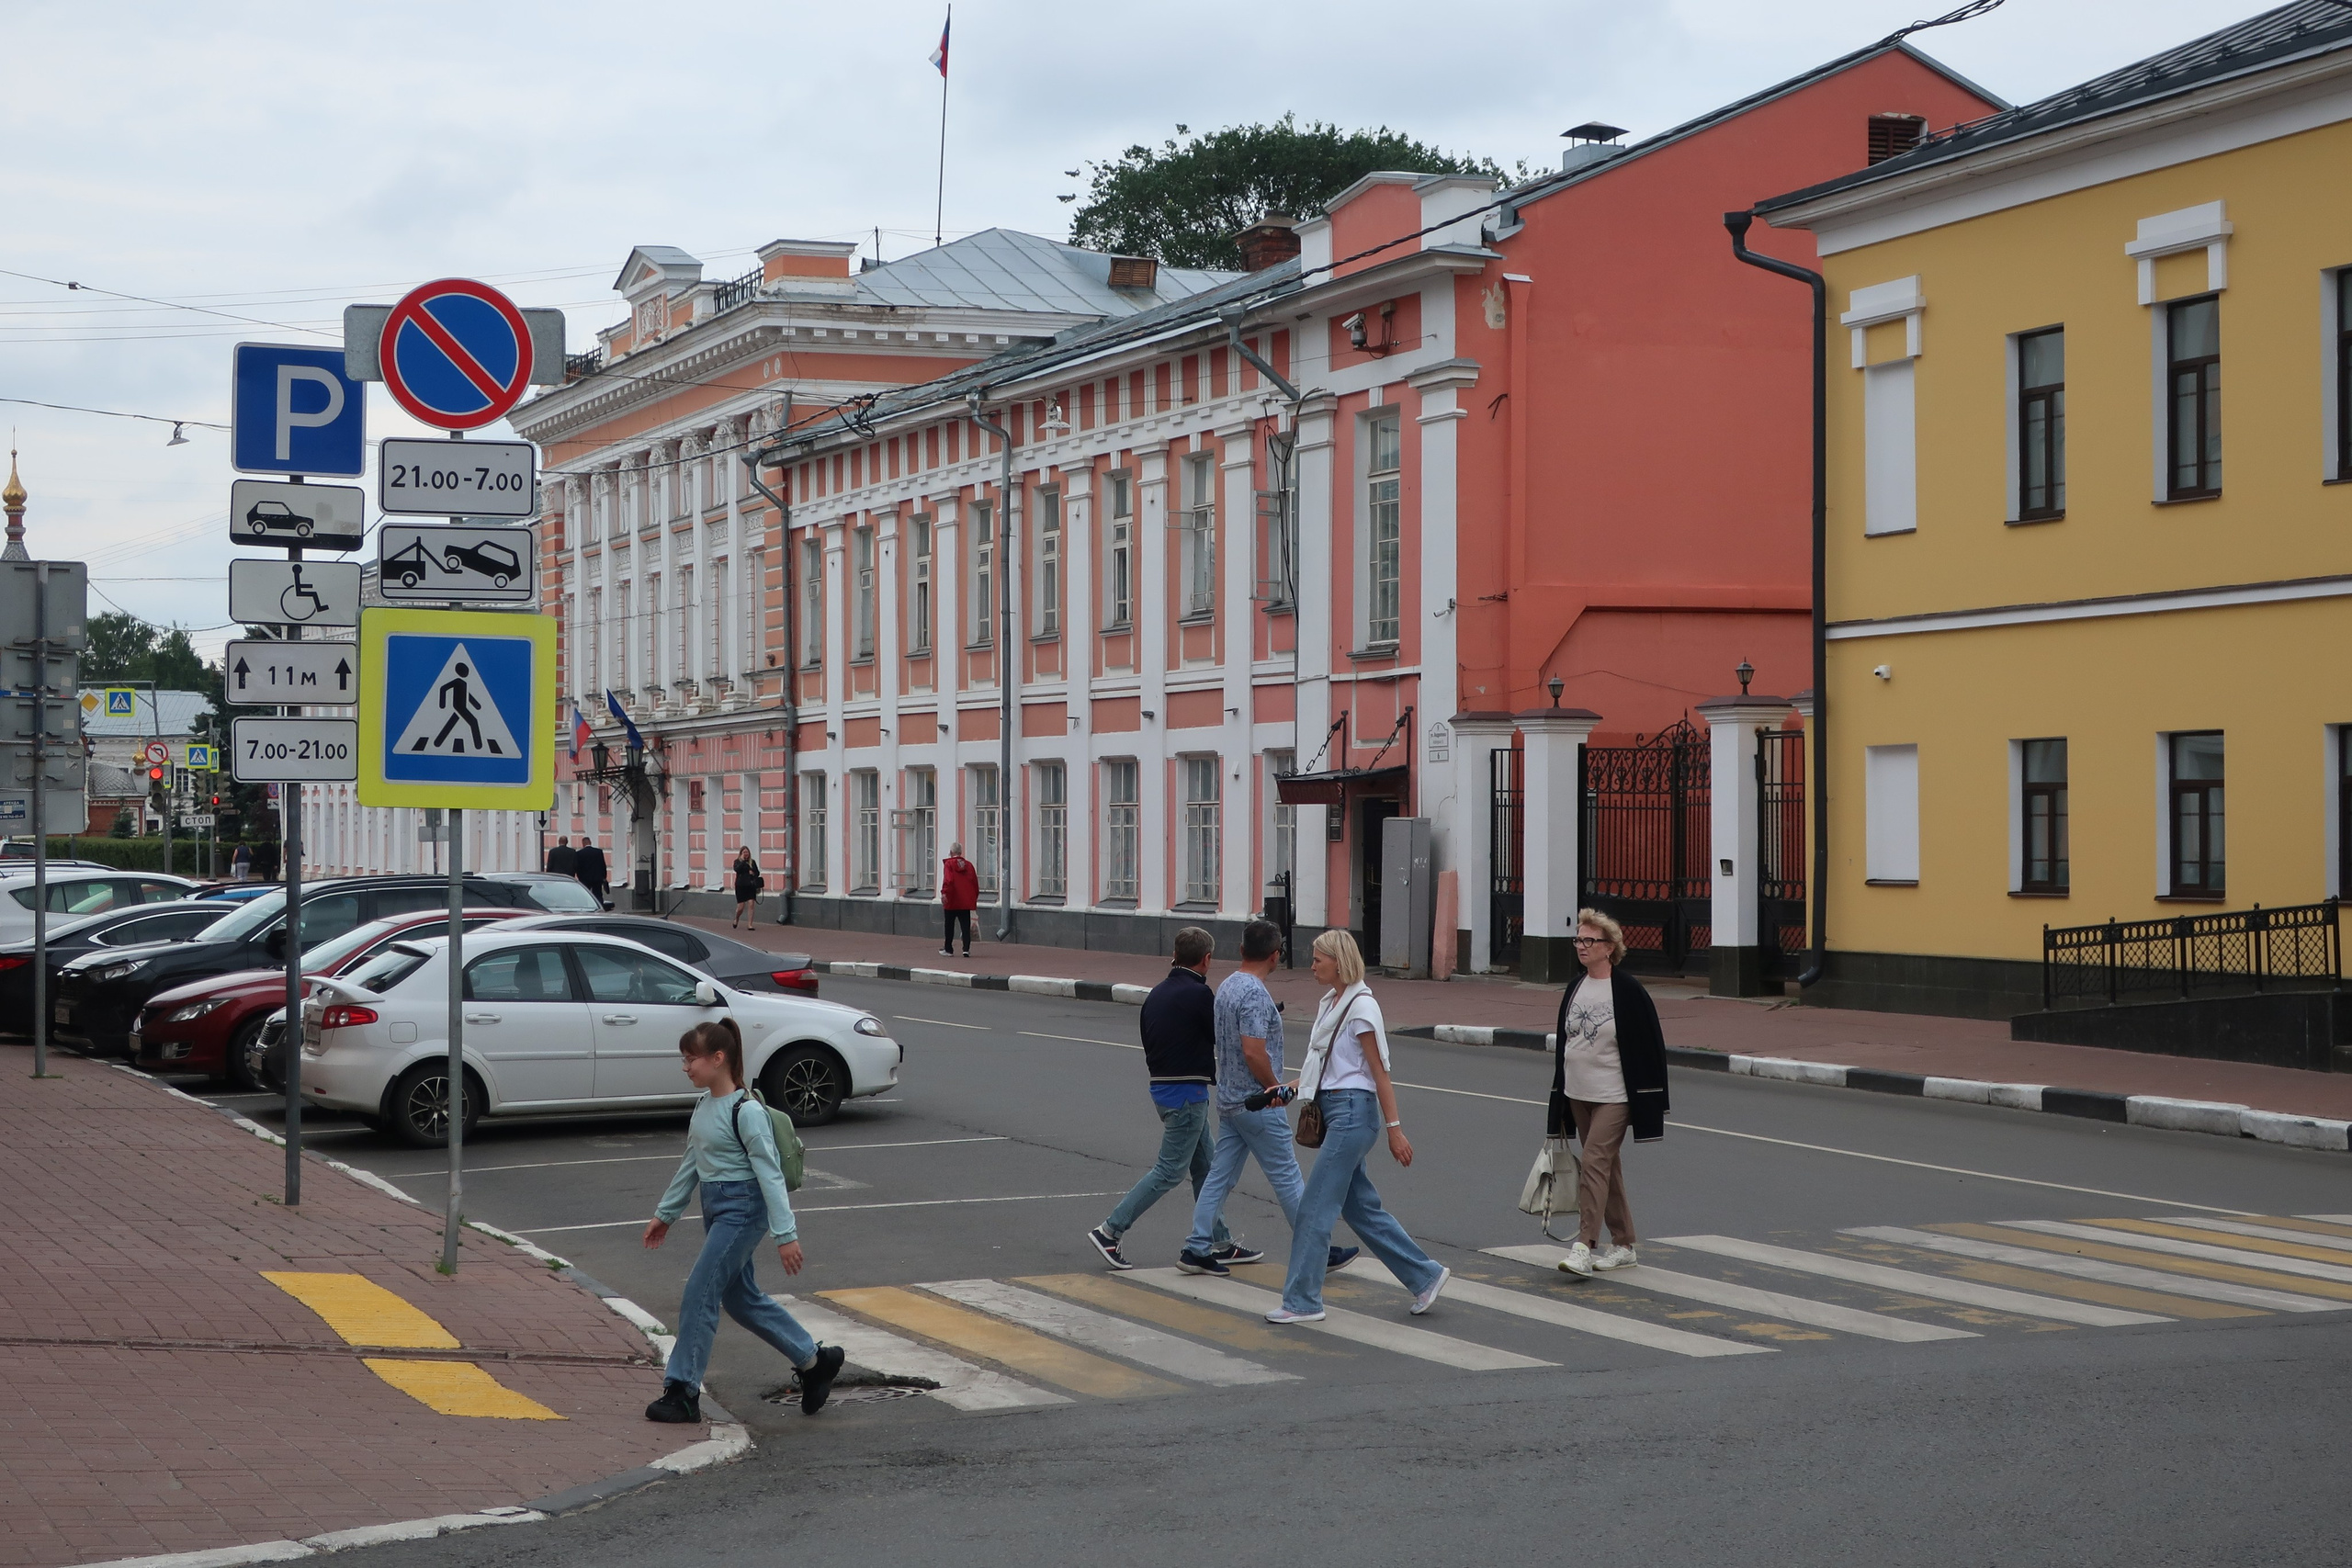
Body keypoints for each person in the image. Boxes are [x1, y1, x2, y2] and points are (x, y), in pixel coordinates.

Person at [642, 1018, 845, 1422]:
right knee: (739, 1298)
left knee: (700, 1291)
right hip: (716, 1206)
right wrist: (666, 1214)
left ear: (717, 1059)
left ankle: (682, 1391)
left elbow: (770, 1174)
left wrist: (785, 1235)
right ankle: (814, 1362)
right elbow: (692, 1163)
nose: (685, 1067)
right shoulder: (704, 1105)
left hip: (743, 1209)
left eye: (691, 1059)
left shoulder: (746, 1110)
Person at [1271, 929, 1449, 1325]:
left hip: (1353, 1114)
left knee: (1314, 1208)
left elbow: (1378, 1072)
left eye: (1318, 959)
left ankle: (1302, 1302)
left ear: (1339, 962)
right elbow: (1329, 1068)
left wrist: (1395, 1129)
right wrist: (1287, 1087)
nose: (1312, 964)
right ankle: (1425, 1276)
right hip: (1337, 1109)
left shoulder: (1362, 1008)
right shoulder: (1331, 1002)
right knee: (1361, 1210)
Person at [1178, 918, 1357, 1279]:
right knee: (1288, 1177)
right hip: (1258, 1102)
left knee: (1218, 1178)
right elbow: (1253, 1051)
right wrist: (1276, 1088)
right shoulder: (1256, 994)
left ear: (1243, 950)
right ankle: (1317, 1251)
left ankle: (1197, 1247)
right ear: (1276, 956)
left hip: (1230, 1100)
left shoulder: (1227, 985)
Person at [1086, 927, 1241, 1271]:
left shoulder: (1158, 993)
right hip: (1187, 1094)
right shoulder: (1199, 995)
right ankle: (1110, 1230)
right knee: (1170, 1171)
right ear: (1206, 959)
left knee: (1206, 1168)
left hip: (1165, 1088)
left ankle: (1220, 1241)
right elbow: (1223, 1035)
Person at [1552, 908, 1668, 1280]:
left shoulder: (1628, 990)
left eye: (1589, 940)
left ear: (1609, 947)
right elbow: (1566, 1042)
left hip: (1614, 1095)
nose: (1581, 946)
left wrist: (1651, 1097)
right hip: (1578, 1092)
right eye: (1579, 940)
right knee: (1606, 1167)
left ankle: (1585, 1246)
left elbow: (1650, 1046)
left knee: (1595, 1162)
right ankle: (1623, 1244)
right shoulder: (1575, 986)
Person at [939, 841, 978, 957]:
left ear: (951, 852)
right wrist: (973, 898)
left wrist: (944, 893)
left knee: (949, 925)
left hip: (951, 900)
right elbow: (974, 883)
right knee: (965, 925)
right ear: (960, 852)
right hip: (965, 901)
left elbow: (948, 880)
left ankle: (948, 949)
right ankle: (966, 949)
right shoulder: (969, 865)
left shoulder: (949, 864)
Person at [731, 846, 763, 930]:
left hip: (750, 886)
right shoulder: (737, 862)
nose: (746, 854)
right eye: (744, 852)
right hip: (740, 886)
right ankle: (736, 918)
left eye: (747, 852)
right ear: (741, 853)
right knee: (741, 907)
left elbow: (757, 873)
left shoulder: (752, 862)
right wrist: (742, 861)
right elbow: (737, 870)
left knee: (751, 904)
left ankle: (750, 924)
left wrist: (753, 873)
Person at [573, 838, 609, 908]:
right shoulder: (598, 852)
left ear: (583, 844)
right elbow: (603, 865)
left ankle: (585, 908)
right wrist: (603, 877)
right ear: (590, 842)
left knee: (585, 895)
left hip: (585, 879)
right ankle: (599, 908)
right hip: (597, 878)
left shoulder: (579, 853)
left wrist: (580, 877)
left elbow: (578, 867)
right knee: (598, 895)